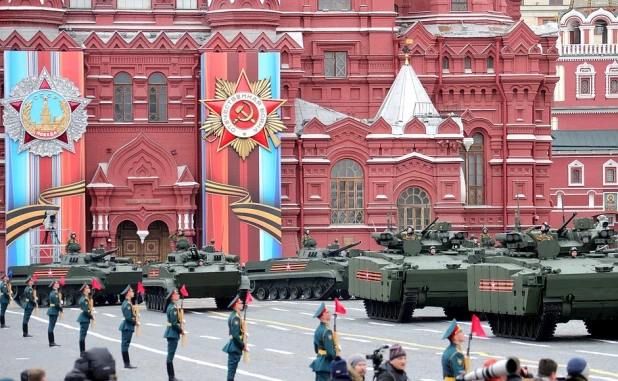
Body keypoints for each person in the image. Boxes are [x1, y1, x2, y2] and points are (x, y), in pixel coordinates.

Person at [222, 295, 247, 381]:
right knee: (232, 370)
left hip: (234, 345)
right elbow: (236, 336)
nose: (242, 304)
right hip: (235, 346)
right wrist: (243, 345)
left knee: (232, 369)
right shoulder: (236, 318)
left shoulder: (235, 315)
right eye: (240, 303)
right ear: (236, 305)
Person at [310, 302, 336, 381]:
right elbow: (330, 352)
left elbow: (316, 349)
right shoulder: (327, 331)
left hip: (319, 360)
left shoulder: (318, 329)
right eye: (327, 312)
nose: (329, 313)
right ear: (323, 316)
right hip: (326, 364)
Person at [164, 289, 182, 381]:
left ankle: (171, 376)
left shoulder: (171, 306)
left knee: (170, 354)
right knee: (170, 355)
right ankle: (171, 377)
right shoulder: (173, 308)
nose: (178, 295)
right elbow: (174, 323)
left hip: (171, 332)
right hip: (172, 333)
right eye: (177, 294)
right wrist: (181, 330)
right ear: (172, 297)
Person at [119, 285, 137, 369]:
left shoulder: (128, 303)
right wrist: (135, 322)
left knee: (125, 344)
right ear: (128, 293)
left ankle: (127, 363)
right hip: (127, 326)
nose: (133, 293)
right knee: (125, 344)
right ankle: (126, 363)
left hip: (127, 325)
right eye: (132, 291)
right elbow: (128, 318)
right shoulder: (127, 304)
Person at [77, 283, 94, 354]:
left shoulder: (85, 298)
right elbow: (85, 311)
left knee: (83, 335)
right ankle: (82, 352)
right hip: (84, 318)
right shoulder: (85, 299)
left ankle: (83, 351)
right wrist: (91, 316)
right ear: (84, 290)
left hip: (84, 318)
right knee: (82, 335)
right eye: (88, 288)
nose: (89, 289)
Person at [47, 279, 62, 347]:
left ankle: (51, 341)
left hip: (51, 310)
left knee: (51, 326)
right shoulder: (55, 294)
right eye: (56, 283)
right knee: (51, 327)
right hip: (54, 311)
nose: (58, 284)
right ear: (54, 285)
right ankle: (51, 342)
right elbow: (56, 304)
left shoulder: (52, 292)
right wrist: (61, 309)